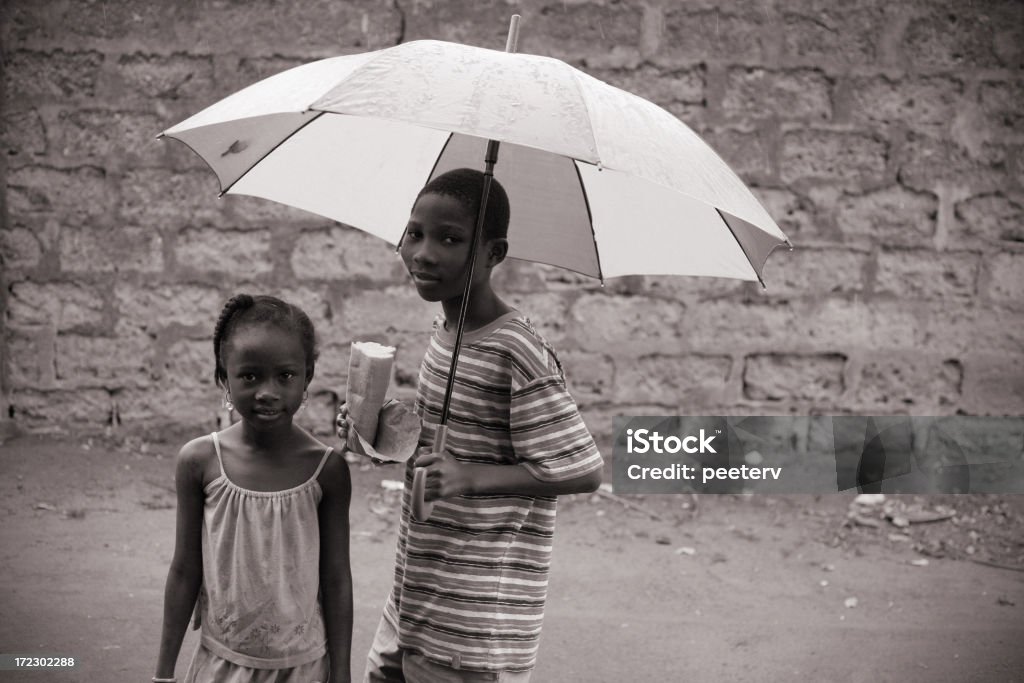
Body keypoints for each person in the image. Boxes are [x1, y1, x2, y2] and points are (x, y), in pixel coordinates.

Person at [340, 168, 603, 682]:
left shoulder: (516, 350)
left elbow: (583, 470)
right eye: (415, 233)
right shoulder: (447, 331)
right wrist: (377, 430)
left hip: (473, 626)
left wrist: (472, 478)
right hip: (415, 595)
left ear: (493, 253)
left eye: (451, 239)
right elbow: (447, 439)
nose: (424, 253)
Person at [155, 294, 353, 683]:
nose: (267, 391)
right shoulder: (199, 462)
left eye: (285, 376)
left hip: (304, 668)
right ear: (223, 378)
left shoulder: (327, 469)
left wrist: (342, 673)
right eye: (249, 376)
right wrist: (162, 674)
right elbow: (184, 571)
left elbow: (336, 578)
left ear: (307, 377)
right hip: (221, 665)